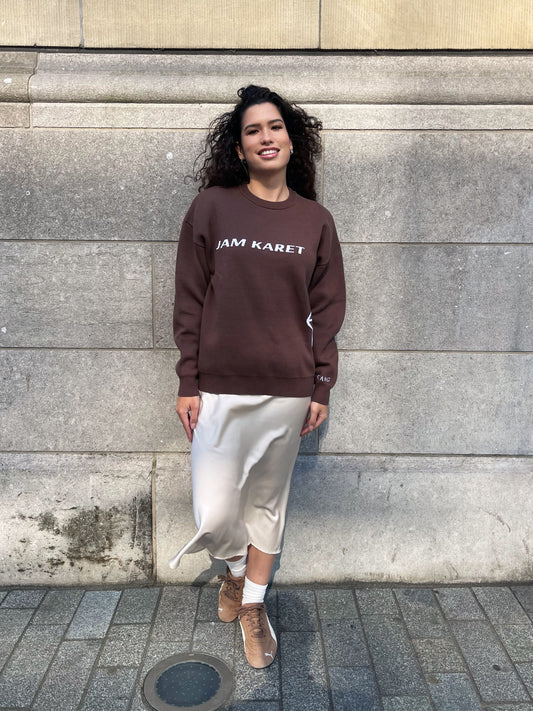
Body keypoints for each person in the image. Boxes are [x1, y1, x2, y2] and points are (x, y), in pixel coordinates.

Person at [170, 85, 345, 668]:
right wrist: (188, 379)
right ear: (240, 148)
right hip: (218, 386)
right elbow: (189, 299)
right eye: (252, 130)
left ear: (292, 141)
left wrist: (321, 384)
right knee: (215, 512)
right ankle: (237, 571)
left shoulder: (315, 221)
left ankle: (252, 606)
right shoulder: (212, 207)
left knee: (267, 504)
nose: (265, 137)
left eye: (274, 127)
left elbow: (328, 310)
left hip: (287, 388)